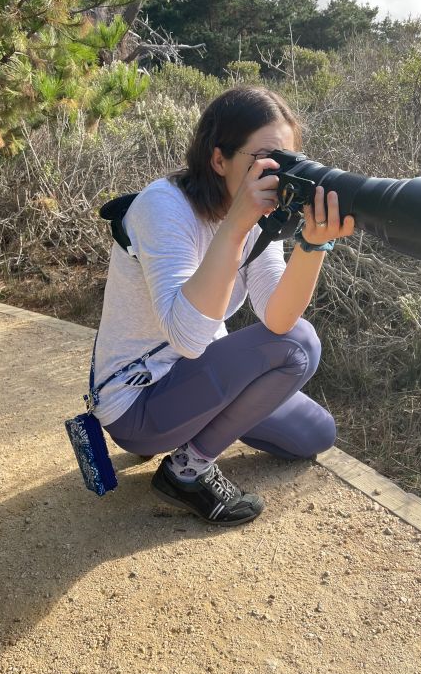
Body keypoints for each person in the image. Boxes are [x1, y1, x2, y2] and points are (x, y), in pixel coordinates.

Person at [93, 86, 355, 526]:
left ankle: (198, 430)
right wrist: (235, 226)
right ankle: (186, 470)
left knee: (316, 434)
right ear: (219, 160)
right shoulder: (164, 207)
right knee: (300, 345)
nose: (278, 173)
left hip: (200, 381)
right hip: (138, 400)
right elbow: (188, 338)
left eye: (289, 160)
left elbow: (277, 315)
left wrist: (312, 245)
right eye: (267, 158)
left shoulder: (257, 213)